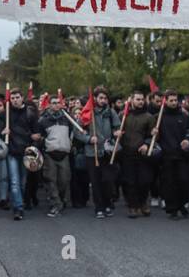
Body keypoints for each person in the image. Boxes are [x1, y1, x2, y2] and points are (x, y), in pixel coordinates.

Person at [36, 93, 81, 217]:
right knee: (51, 181)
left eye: (58, 102)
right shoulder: (43, 120)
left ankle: (60, 199)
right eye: (53, 103)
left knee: (64, 180)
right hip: (50, 154)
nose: (56, 105)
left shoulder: (67, 119)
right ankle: (56, 204)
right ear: (49, 104)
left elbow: (73, 133)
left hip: (64, 154)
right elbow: (39, 137)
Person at [156, 90, 189, 219]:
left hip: (182, 156)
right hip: (167, 156)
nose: (174, 103)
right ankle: (172, 209)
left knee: (184, 181)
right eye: (171, 100)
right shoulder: (159, 117)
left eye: (176, 100)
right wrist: (154, 133)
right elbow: (154, 137)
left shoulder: (184, 116)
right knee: (169, 183)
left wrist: (188, 139)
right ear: (166, 101)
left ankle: (182, 205)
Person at [82, 88, 122, 218]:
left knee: (108, 180)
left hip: (107, 151)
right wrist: (88, 139)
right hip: (92, 153)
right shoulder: (88, 112)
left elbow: (117, 127)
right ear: (95, 98)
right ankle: (99, 208)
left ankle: (108, 204)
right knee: (96, 182)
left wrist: (117, 133)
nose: (103, 100)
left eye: (105, 98)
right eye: (100, 98)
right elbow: (78, 131)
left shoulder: (111, 112)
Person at [117, 91, 156, 217]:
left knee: (144, 180)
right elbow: (116, 130)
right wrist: (116, 133)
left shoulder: (149, 117)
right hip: (127, 153)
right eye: (138, 99)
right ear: (132, 100)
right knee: (130, 181)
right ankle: (133, 206)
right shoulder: (123, 115)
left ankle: (143, 203)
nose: (140, 102)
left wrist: (147, 143)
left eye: (142, 99)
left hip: (143, 153)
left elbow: (153, 136)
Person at [4, 88, 35, 220]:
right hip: (12, 152)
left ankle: (20, 201)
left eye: (17, 97)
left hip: (26, 152)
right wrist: (3, 130)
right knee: (15, 181)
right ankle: (18, 208)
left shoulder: (30, 114)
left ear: (22, 98)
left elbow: (36, 132)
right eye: (12, 98)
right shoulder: (7, 114)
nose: (15, 100)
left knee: (23, 181)